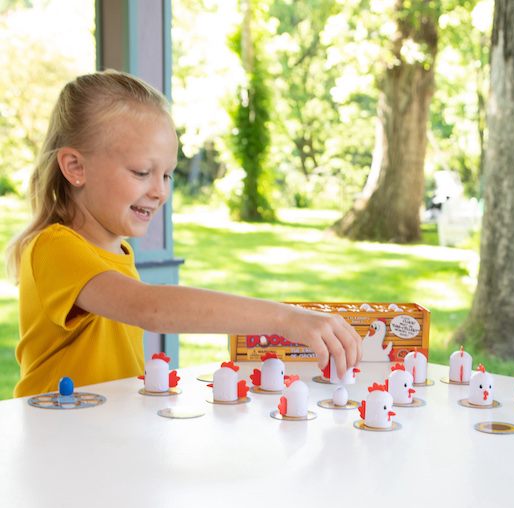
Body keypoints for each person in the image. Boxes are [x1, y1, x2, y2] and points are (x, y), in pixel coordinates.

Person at [6, 70, 362, 397]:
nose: (160, 191)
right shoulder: (54, 248)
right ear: (75, 167)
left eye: (167, 175)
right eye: (142, 172)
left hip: (102, 435)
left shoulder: (117, 251)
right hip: (53, 441)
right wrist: (286, 318)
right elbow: (150, 307)